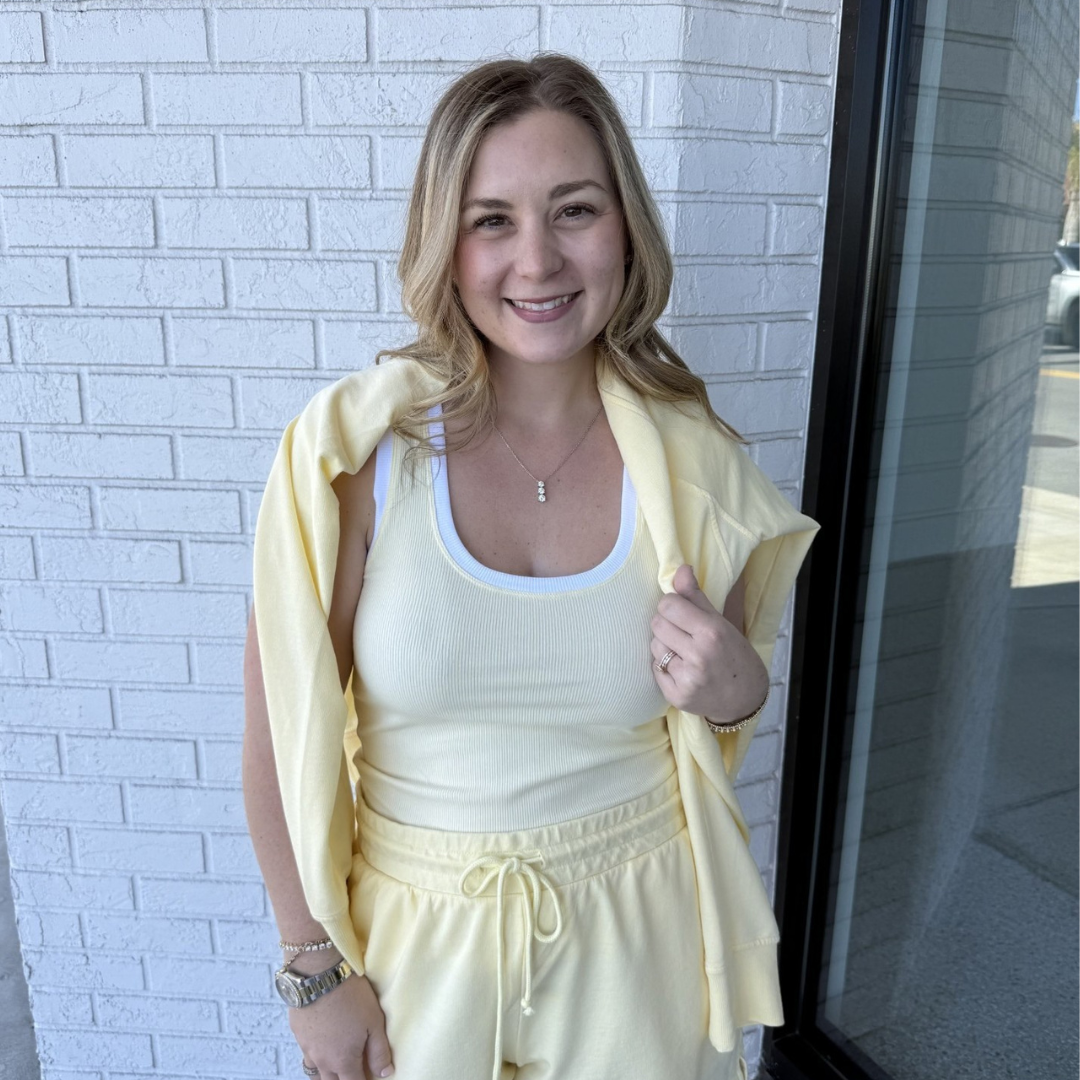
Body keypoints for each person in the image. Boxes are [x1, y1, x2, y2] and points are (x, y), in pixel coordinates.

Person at [244, 53, 819, 1080]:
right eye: (492, 220)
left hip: (641, 947)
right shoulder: (356, 457)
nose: (538, 260)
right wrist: (313, 970)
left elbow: (723, 704)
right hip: (413, 953)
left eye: (575, 210)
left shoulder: (692, 466)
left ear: (626, 227)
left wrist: (740, 688)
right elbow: (275, 741)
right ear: (444, 241)